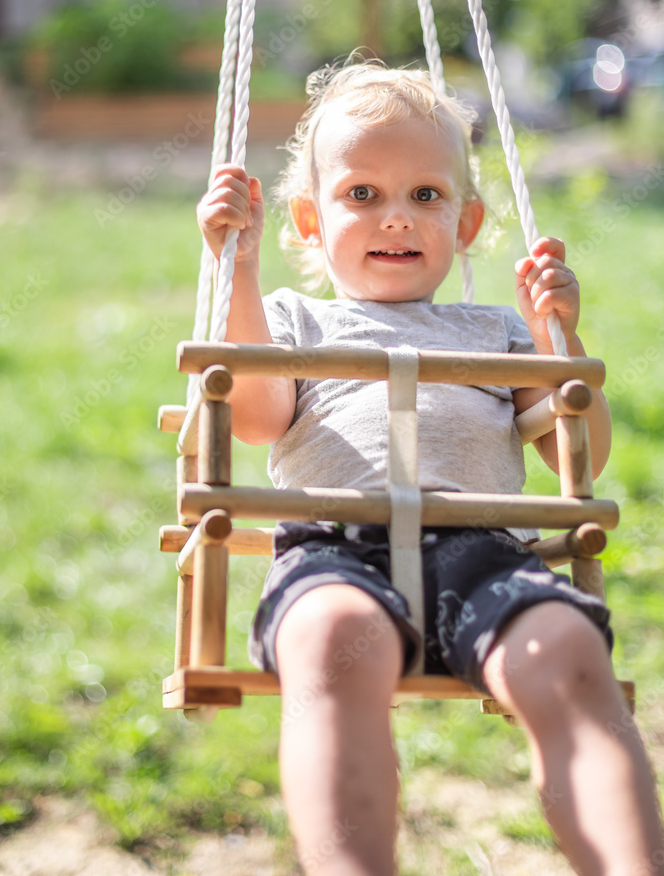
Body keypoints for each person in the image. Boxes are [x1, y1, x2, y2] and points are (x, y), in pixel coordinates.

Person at [196, 59, 664, 876]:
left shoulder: (492, 331)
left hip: (484, 552)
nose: (396, 219)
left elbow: (571, 448)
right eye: (361, 194)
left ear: (467, 221)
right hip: (334, 551)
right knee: (332, 639)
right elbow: (259, 414)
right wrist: (234, 270)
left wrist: (557, 337)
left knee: (566, 648)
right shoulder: (292, 319)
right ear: (307, 221)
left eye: (425, 195)